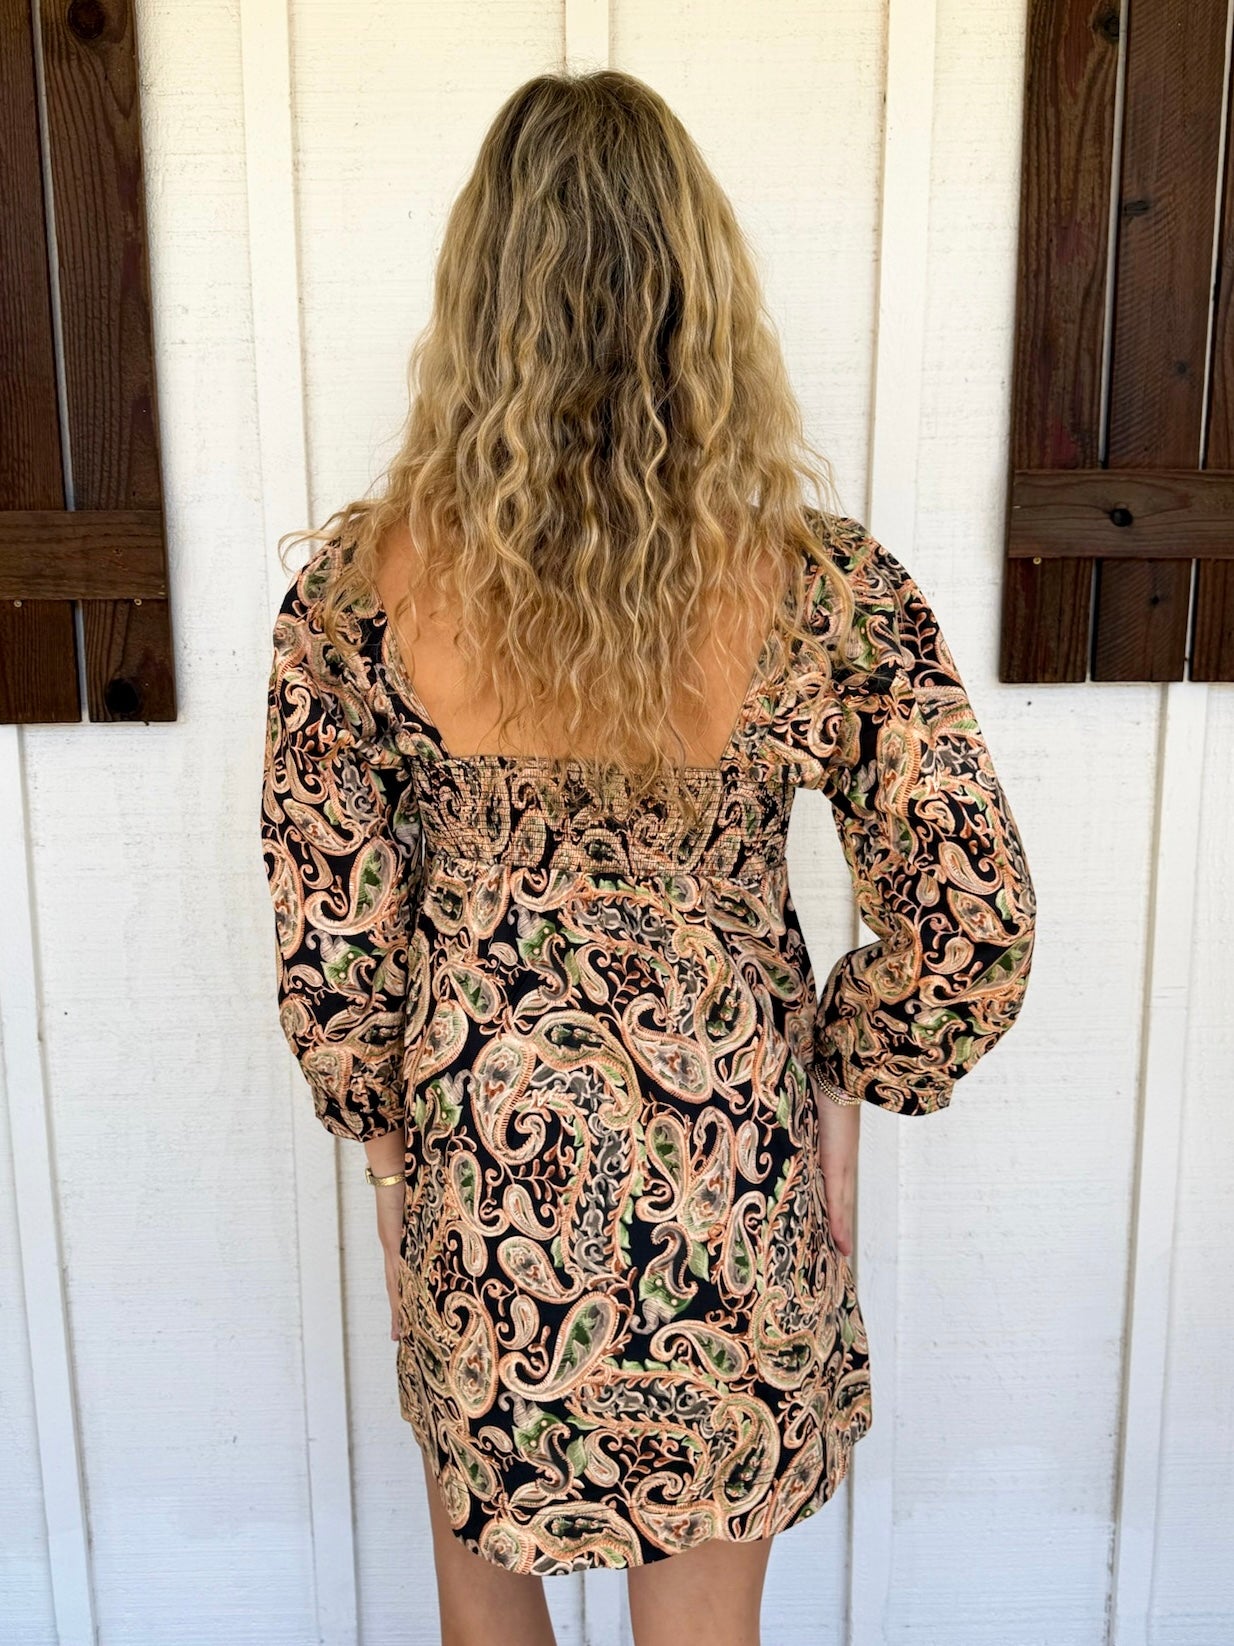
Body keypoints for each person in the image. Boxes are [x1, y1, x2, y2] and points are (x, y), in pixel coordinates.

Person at [259, 68, 1036, 1646]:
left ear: (478, 300)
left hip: (487, 1186)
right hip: (725, 1181)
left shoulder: (355, 593)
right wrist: (839, 1081)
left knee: (486, 1617)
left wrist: (394, 1159)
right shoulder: (825, 593)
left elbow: (336, 948)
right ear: (702, 294)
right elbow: (971, 925)